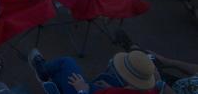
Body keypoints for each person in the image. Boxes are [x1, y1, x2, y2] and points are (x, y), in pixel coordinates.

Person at [29, 48, 172, 94]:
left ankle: (45, 73)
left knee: (66, 62)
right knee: (64, 72)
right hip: (100, 89)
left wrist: (82, 91)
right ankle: (53, 80)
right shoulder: (149, 91)